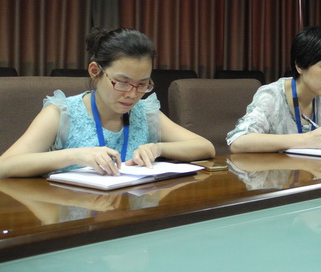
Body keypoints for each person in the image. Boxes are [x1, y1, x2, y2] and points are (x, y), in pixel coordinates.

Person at [0, 28, 215, 178]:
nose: (132, 94)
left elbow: (205, 148)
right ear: (96, 71)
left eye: (142, 84)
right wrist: (75, 155)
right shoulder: (63, 113)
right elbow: (5, 166)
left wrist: (157, 148)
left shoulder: (144, 113)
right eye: (122, 83)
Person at [227, 25, 321, 152]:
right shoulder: (272, 95)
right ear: (299, 66)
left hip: (312, 172)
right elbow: (238, 141)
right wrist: (305, 140)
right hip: (275, 174)